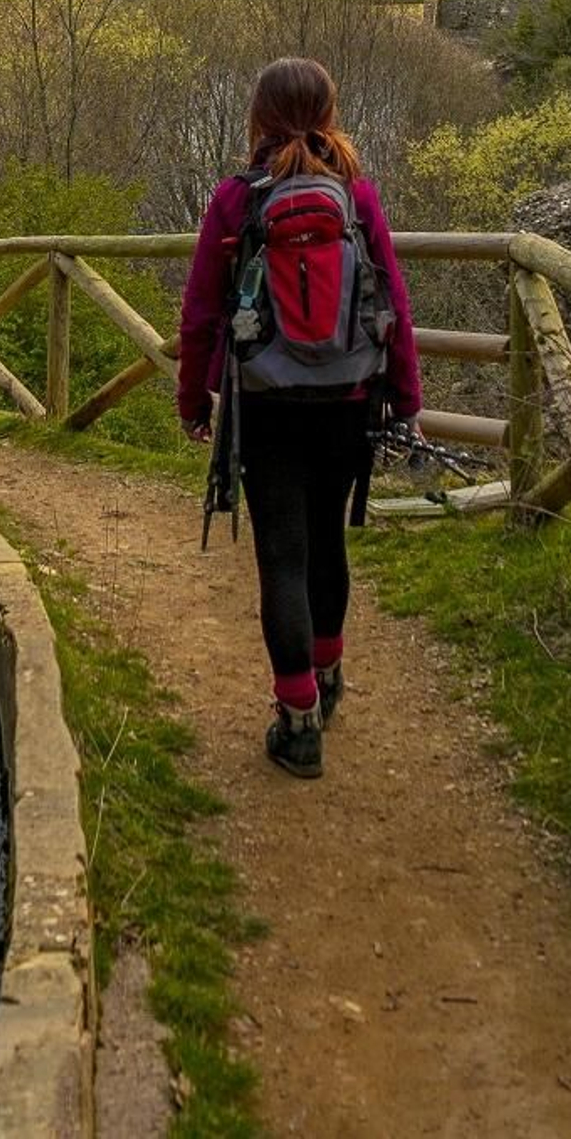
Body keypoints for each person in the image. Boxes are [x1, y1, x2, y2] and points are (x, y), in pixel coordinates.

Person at [177, 56, 420, 779]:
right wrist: (406, 398)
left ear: (259, 115)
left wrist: (193, 401)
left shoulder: (236, 199)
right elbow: (394, 302)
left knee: (281, 554)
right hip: (348, 399)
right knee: (326, 541)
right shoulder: (357, 195)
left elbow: (200, 313)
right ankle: (329, 674)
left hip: (266, 405)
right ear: (328, 112)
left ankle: (298, 721)